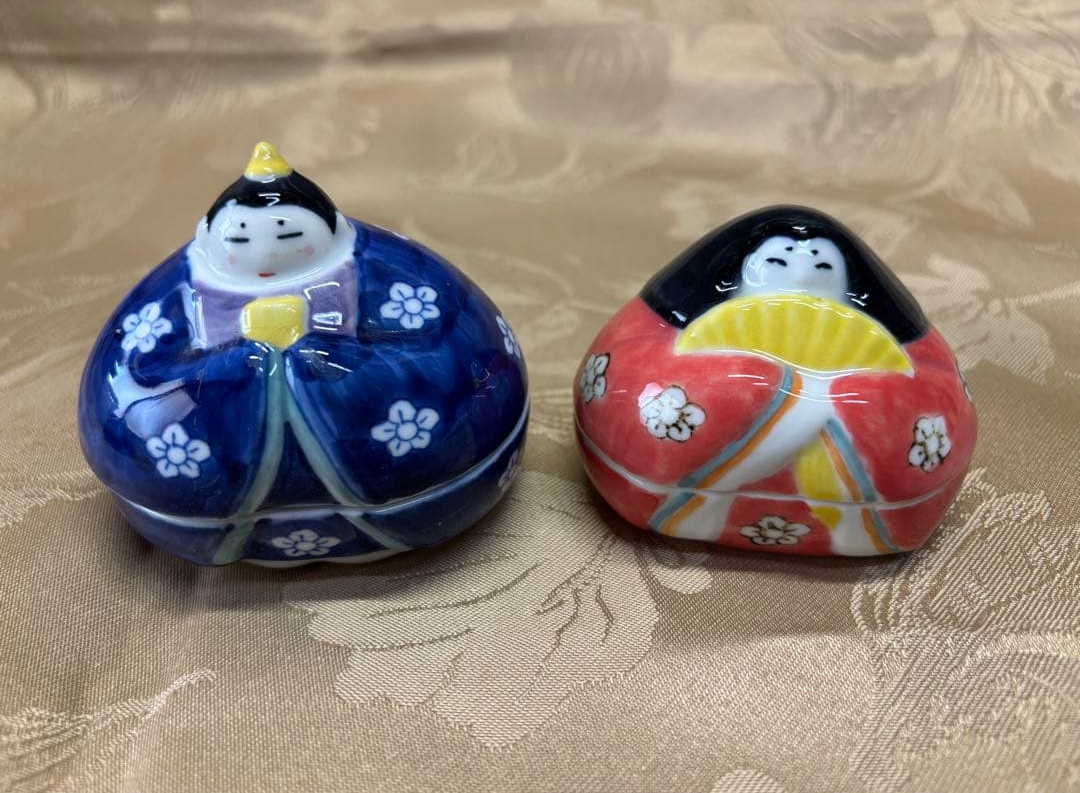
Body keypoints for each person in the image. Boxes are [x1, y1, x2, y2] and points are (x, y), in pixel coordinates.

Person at [79, 143, 528, 565]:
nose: (265, 254)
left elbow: (441, 358)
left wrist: (317, 358)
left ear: (334, 229)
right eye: (241, 241)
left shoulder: (399, 282)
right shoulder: (166, 308)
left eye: (290, 235)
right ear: (205, 235)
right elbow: (134, 393)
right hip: (218, 503)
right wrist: (247, 363)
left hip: (400, 484)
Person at [576, 206, 976, 555]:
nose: (800, 278)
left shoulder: (912, 355)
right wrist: (775, 389)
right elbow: (629, 382)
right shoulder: (657, 332)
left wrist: (827, 394)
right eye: (778, 263)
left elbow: (937, 404)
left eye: (823, 268)